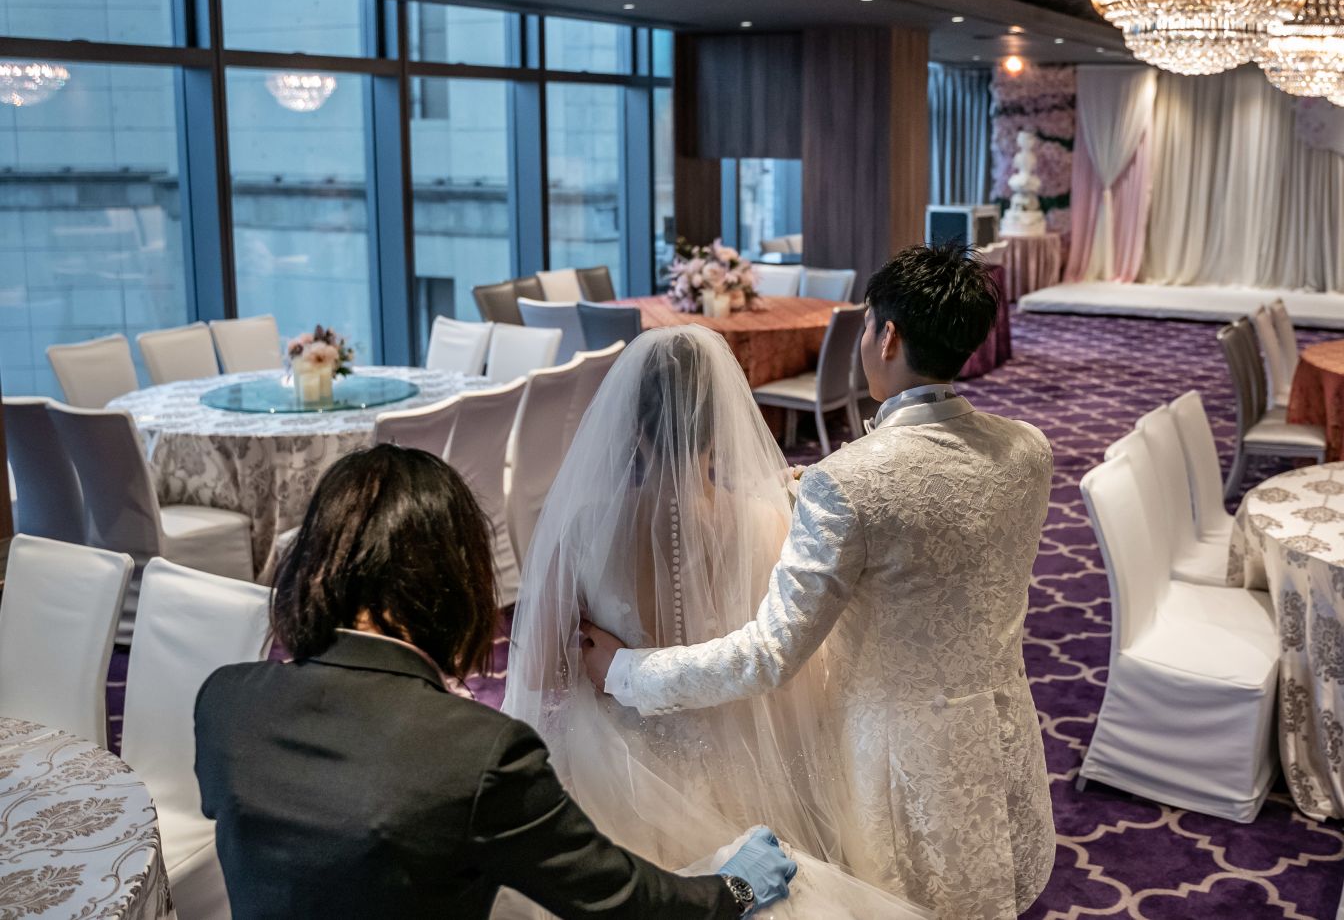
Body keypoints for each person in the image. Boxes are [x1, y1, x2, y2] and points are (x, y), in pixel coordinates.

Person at [582, 243, 1057, 920]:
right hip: (1000, 734)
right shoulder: (1029, 449)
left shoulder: (850, 481)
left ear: (886, 335)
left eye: (866, 324)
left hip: (895, 766)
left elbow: (766, 655)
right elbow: (946, 524)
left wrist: (625, 672)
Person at [193, 444, 793, 920]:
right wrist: (735, 889)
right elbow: (625, 904)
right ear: (453, 582)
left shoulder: (224, 702)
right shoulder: (480, 753)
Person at [503, 327, 931, 919]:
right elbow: (799, 677)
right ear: (722, 423)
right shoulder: (768, 522)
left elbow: (538, 679)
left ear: (631, 428)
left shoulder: (584, 531)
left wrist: (599, 663)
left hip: (619, 774)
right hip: (741, 761)